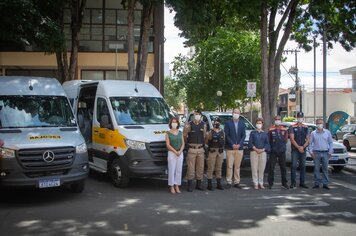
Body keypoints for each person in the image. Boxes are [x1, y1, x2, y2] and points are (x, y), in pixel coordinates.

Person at [183, 109, 207, 192]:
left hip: (200, 149)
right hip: (192, 149)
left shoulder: (204, 124)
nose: (197, 115)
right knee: (191, 168)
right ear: (193, 115)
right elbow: (184, 136)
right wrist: (188, 145)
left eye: (198, 114)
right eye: (195, 114)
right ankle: (189, 185)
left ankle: (198, 185)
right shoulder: (189, 124)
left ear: (201, 115)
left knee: (200, 168)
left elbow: (205, 136)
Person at [224, 108, 246, 189]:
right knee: (229, 165)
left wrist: (239, 144)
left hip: (239, 148)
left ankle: (237, 181)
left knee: (237, 166)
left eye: (238, 113)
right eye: (235, 112)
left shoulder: (242, 123)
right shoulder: (228, 123)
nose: (236, 114)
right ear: (232, 113)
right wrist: (232, 144)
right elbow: (226, 135)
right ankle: (229, 181)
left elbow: (244, 135)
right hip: (230, 148)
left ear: (239, 114)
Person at [309, 119, 333, 190]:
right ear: (316, 124)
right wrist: (311, 152)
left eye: (321, 123)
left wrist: (330, 152)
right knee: (316, 169)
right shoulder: (313, 133)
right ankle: (317, 183)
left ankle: (325, 184)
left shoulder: (327, 132)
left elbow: (331, 142)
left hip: (325, 152)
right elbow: (310, 144)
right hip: (316, 153)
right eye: (318, 123)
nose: (319, 124)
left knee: (325, 169)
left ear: (323, 124)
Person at [268, 115, 289, 189]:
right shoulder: (271, 129)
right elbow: (269, 140)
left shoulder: (285, 129)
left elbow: (286, 140)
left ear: (281, 120)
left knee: (283, 167)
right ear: (274, 120)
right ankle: (270, 183)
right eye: (276, 119)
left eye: (279, 119)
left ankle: (284, 183)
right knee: (271, 167)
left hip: (282, 151)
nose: (277, 120)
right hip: (273, 151)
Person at [289, 112, 310, 189]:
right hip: (295, 149)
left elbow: (308, 139)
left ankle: (302, 182)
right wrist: (298, 147)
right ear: (296, 118)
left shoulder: (306, 127)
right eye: (298, 117)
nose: (300, 118)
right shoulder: (292, 127)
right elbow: (292, 139)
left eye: (301, 117)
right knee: (294, 166)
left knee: (303, 166)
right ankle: (293, 183)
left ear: (303, 118)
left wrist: (303, 147)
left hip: (303, 149)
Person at [248, 118, 270, 189]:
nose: (259, 124)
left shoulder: (265, 133)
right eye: (258, 123)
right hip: (254, 152)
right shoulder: (252, 133)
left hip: (263, 152)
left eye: (260, 123)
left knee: (262, 168)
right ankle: (255, 183)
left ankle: (261, 183)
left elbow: (267, 143)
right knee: (254, 168)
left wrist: (263, 149)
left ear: (262, 124)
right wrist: (256, 149)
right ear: (255, 124)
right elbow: (250, 143)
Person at [165, 117, 185, 194]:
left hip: (180, 153)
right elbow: (167, 145)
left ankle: (177, 185)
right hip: (171, 153)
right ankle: (172, 186)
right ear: (170, 123)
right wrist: (175, 151)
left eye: (175, 122)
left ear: (178, 123)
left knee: (179, 170)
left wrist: (180, 151)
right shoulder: (168, 133)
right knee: (171, 170)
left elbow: (183, 143)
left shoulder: (180, 132)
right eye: (173, 122)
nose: (174, 123)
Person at [206, 117, 225, 191]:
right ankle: (209, 185)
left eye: (218, 122)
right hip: (212, 151)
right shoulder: (210, 132)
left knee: (219, 168)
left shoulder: (222, 131)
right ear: (213, 123)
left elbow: (224, 141)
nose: (217, 123)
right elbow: (206, 142)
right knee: (210, 168)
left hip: (220, 152)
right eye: (215, 121)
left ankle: (219, 184)